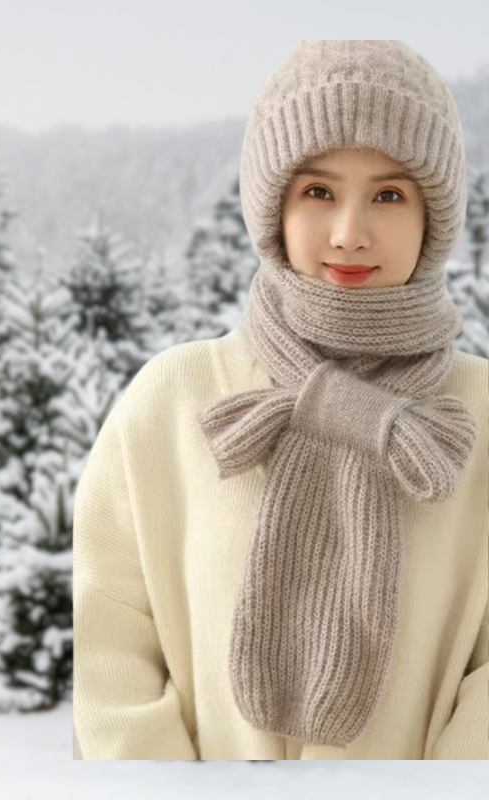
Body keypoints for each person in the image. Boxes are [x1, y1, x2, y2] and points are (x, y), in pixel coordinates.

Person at [72, 40, 488, 760]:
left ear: (435, 217)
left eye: (388, 195)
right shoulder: (170, 401)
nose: (349, 233)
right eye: (318, 192)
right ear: (272, 208)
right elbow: (111, 648)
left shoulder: (479, 413)